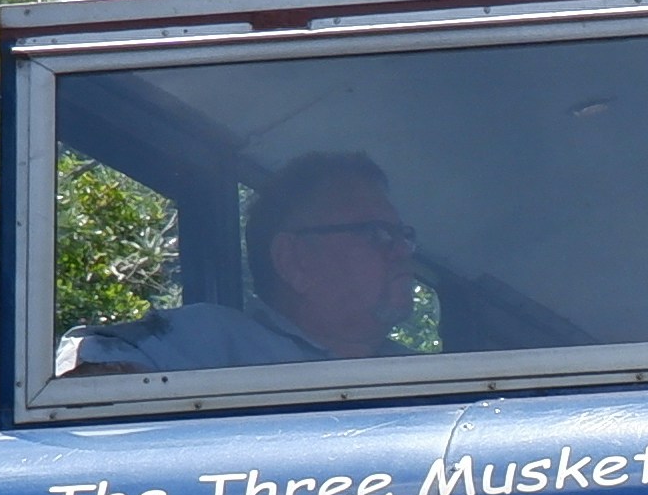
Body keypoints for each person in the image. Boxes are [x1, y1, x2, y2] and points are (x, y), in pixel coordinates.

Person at [82, 150, 425, 369]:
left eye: (403, 237)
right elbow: (88, 375)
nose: (401, 252)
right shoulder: (211, 341)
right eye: (376, 234)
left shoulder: (425, 373)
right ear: (294, 261)